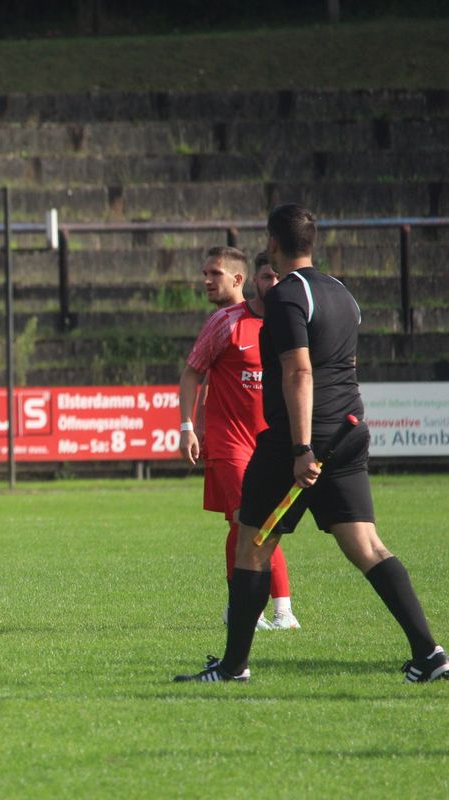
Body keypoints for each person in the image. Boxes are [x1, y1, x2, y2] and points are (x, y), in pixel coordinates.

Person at [176, 204, 446, 683]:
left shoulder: (286, 296)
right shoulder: (342, 292)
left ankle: (233, 667)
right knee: (367, 545)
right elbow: (346, 366)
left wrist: (301, 449)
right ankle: (430, 654)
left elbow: (299, 372)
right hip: (348, 429)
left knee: (252, 544)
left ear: (273, 244)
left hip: (298, 440)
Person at [179, 247, 298, 631]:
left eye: (214, 273)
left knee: (259, 523)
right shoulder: (226, 322)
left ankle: (263, 610)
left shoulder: (290, 323)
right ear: (254, 281)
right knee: (251, 519)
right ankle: (265, 611)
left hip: (271, 442)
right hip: (230, 441)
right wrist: (188, 427)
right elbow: (193, 373)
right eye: (267, 277)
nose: (206, 280)